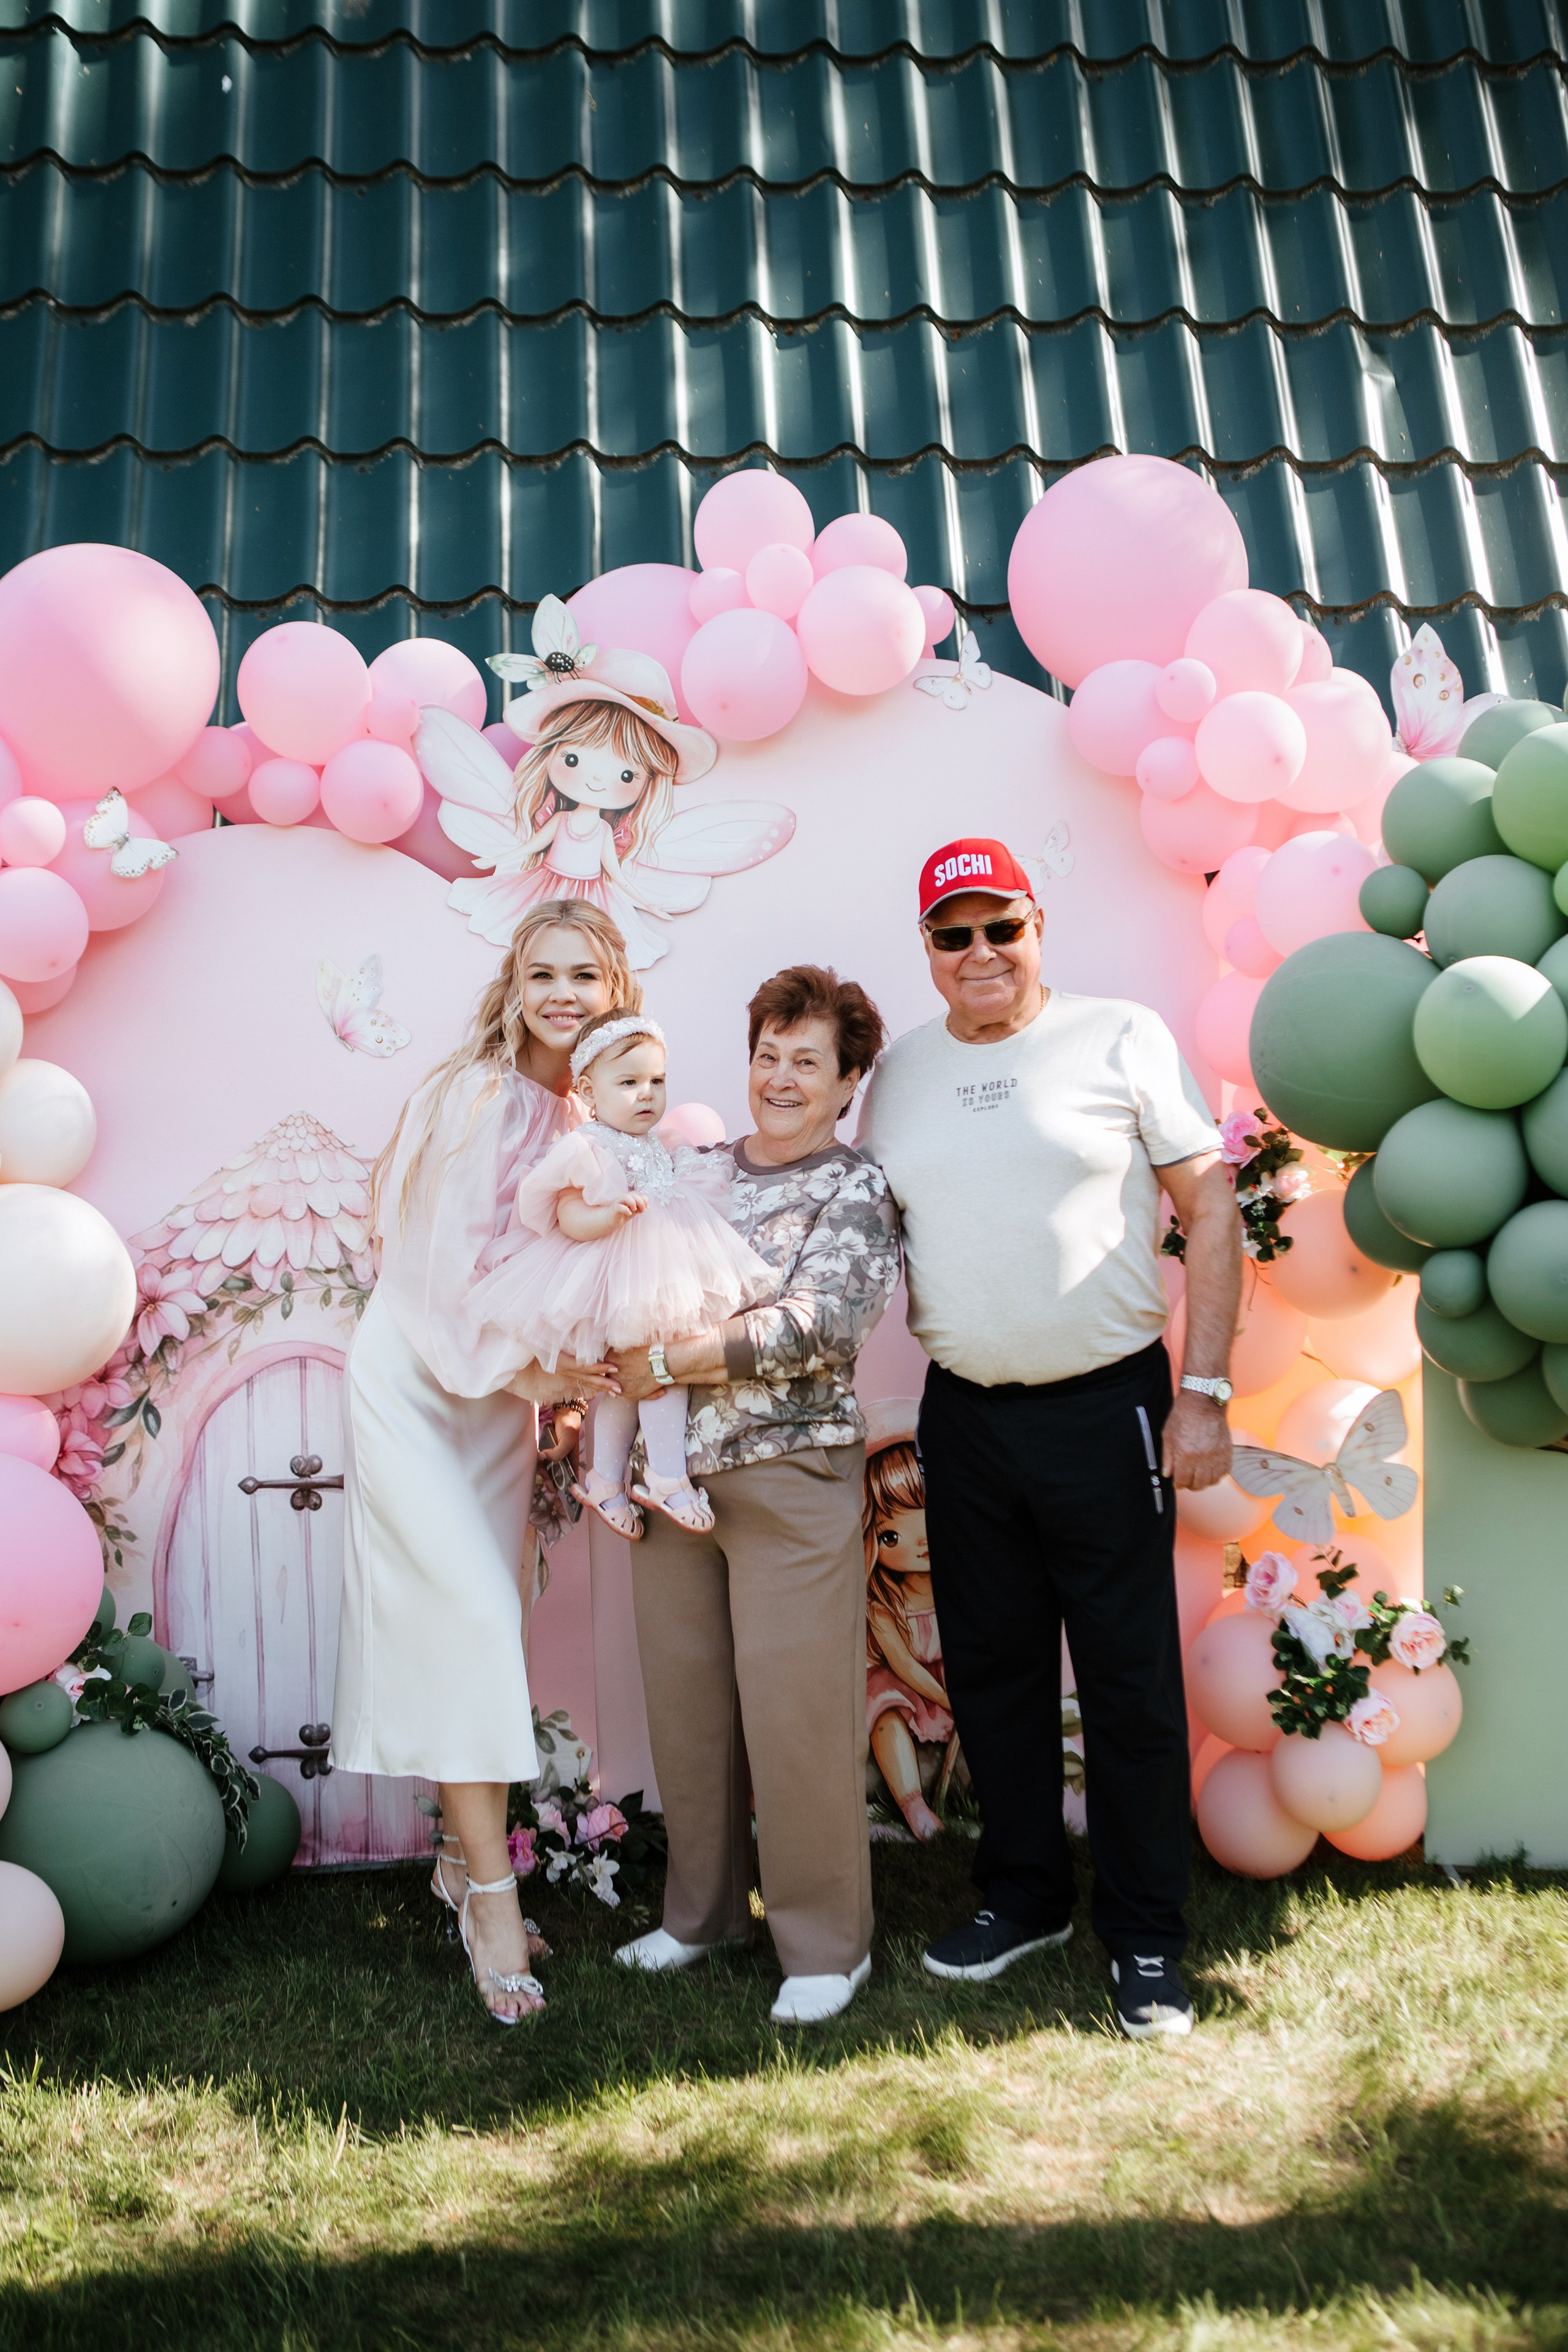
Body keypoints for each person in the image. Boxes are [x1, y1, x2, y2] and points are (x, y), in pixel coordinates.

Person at [859, 838, 1242, 2041]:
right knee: (991, 1671)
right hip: (962, 1412)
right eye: (951, 934)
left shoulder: (1117, 1035)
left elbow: (1210, 1207)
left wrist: (1207, 1391)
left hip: (1107, 1404)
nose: (979, 953)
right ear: (925, 950)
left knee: (1126, 1684)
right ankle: (1023, 1896)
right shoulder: (903, 1076)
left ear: (1034, 925)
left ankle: (1142, 1940)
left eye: (998, 928)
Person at [330, 899, 638, 2024]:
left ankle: (461, 1864)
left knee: (485, 1625)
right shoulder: (473, 1096)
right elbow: (426, 1264)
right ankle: (494, 1902)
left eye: (586, 976)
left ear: (616, 992)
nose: (564, 994)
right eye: (544, 974)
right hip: (423, 1379)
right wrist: (525, 1379)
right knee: (463, 1621)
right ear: (514, 989)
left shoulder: (590, 1110)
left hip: (499, 1394)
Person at [605, 966, 901, 2026]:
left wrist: (675, 1359)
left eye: (807, 1062)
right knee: (685, 1714)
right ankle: (701, 1918)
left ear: (848, 1082)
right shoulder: (692, 1173)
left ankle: (827, 1946)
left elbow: (822, 1327)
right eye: (768, 1054)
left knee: (795, 1716)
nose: (780, 1078)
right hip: (673, 1481)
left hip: (791, 1477)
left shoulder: (853, 1188)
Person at [471, 1009, 773, 1539]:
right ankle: (666, 1475)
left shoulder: (655, 1144)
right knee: (658, 1371)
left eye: (656, 1081)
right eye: (629, 1083)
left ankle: (605, 1479)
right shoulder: (588, 1146)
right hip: (614, 1269)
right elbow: (563, 1212)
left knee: (623, 1382)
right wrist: (606, 1215)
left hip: (658, 1266)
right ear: (588, 1090)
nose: (647, 1095)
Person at [862, 1408, 952, 1844]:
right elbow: (904, 1665)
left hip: (945, 1678)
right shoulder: (883, 1605)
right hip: (905, 1682)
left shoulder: (957, 1585)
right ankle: (913, 1805)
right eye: (891, 1535)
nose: (922, 1541)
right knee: (885, 1713)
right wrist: (949, 1699)